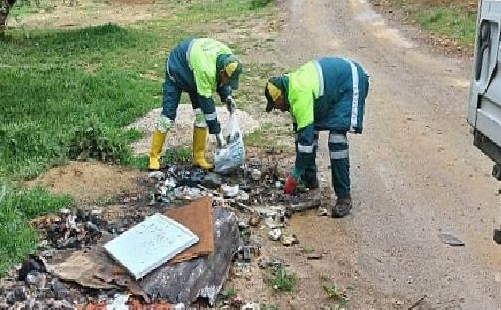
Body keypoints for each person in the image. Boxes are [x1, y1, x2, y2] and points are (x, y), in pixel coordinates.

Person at [264, 57, 369, 218]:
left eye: (276, 105)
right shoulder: (290, 91)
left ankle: (344, 197)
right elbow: (303, 136)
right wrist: (302, 174)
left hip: (350, 82)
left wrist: (295, 174)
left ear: (279, 98)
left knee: (336, 139)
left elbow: (305, 143)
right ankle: (310, 181)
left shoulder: (299, 94)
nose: (278, 109)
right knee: (306, 135)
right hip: (331, 90)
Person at [148, 38, 243, 171]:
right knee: (167, 117)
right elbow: (208, 106)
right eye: (228, 79)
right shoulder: (206, 70)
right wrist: (218, 135)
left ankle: (198, 157)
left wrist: (227, 96)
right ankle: (153, 156)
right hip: (177, 68)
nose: (228, 82)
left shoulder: (228, 57)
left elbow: (222, 82)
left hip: (194, 72)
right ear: (222, 71)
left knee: (201, 117)